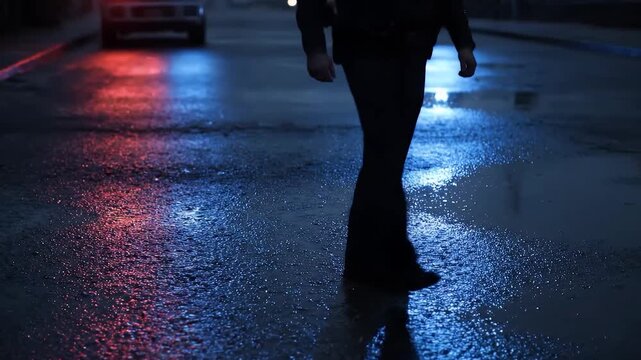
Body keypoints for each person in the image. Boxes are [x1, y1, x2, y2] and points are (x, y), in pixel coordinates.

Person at [297, 0, 477, 291]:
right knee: (384, 154)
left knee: (386, 160)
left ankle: (367, 262)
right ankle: (391, 261)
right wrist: (315, 49)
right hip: (366, 47)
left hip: (412, 50)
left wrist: (464, 43)